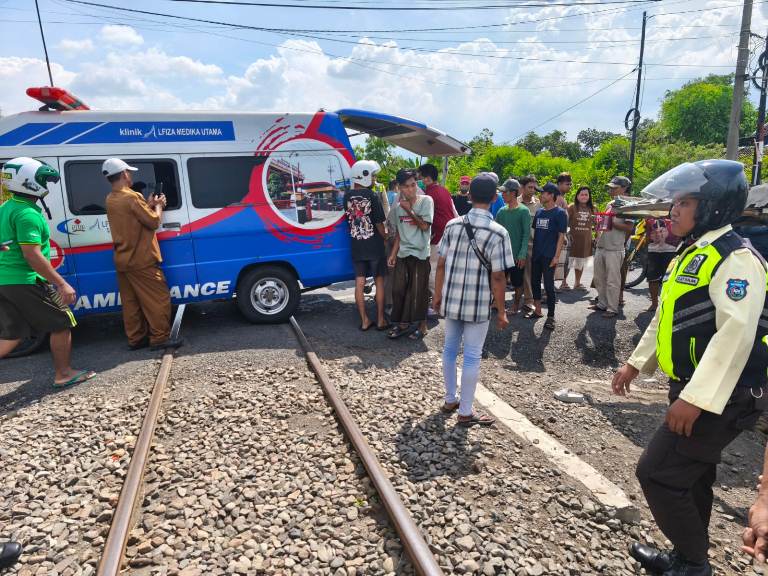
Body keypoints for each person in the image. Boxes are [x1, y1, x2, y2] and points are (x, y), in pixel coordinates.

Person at [611, 160, 768, 576]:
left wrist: (695, 400)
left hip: (724, 396)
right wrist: (635, 363)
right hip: (694, 388)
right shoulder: (695, 251)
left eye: (684, 202)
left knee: (657, 473)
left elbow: (736, 335)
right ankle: (687, 557)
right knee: (692, 478)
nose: (673, 211)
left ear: (713, 205)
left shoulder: (737, 259)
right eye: (674, 202)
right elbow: (668, 317)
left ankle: (694, 565)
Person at [0, 157, 96, 388]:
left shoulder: (6, 207)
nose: (47, 185)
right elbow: (31, 254)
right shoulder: (27, 214)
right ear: (30, 182)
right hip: (26, 279)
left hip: (6, 280)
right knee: (62, 321)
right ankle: (63, 373)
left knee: (12, 335)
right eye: (44, 181)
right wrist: (62, 283)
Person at [433, 173, 512, 427]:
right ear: (494, 197)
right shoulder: (499, 232)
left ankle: (449, 399)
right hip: (478, 304)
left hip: (452, 298)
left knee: (449, 349)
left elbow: (441, 263)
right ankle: (465, 411)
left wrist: (437, 294)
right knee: (472, 356)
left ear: (469, 195)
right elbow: (499, 277)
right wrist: (501, 311)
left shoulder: (452, 225)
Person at [103, 159, 181, 351]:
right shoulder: (131, 197)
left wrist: (148, 203)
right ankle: (160, 338)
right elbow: (153, 221)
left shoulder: (111, 198)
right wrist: (159, 205)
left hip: (123, 259)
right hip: (142, 259)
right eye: (129, 172)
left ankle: (136, 338)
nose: (131, 175)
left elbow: (133, 216)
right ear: (124, 175)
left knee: (131, 303)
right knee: (158, 298)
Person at [387, 169, 433, 340]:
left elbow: (424, 226)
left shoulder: (426, 201)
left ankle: (422, 326)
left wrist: (409, 211)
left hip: (421, 253)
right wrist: (393, 254)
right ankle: (402, 323)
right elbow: (399, 233)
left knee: (419, 290)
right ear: (399, 188)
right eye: (406, 187)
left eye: (413, 185)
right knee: (399, 290)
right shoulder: (398, 208)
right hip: (403, 252)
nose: (411, 189)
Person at [343, 160, 389, 331]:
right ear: (364, 175)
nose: (374, 178)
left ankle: (364, 320)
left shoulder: (346, 196)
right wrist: (385, 236)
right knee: (379, 282)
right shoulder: (372, 196)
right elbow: (379, 222)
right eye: (372, 175)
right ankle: (381, 320)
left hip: (357, 244)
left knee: (359, 283)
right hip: (374, 245)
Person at [525, 183, 567, 330]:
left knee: (549, 286)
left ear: (551, 195)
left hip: (550, 256)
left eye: (543, 193)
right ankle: (537, 310)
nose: (540, 195)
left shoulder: (560, 213)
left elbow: (561, 236)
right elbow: (536, 233)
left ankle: (551, 317)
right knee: (535, 282)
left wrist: (556, 256)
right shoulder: (539, 212)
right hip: (537, 254)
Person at [590, 176, 633, 318]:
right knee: (599, 277)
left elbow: (629, 227)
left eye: (615, 187)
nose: (611, 189)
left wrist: (611, 222)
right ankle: (602, 303)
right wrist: (599, 222)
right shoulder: (610, 203)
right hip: (602, 245)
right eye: (611, 187)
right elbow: (604, 222)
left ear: (624, 188)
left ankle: (612, 308)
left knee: (613, 280)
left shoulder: (629, 204)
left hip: (615, 247)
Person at [418, 163, 457, 315]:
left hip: (437, 237)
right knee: (445, 272)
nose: (418, 181)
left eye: (420, 178)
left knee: (434, 272)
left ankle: (437, 306)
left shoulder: (428, 195)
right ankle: (444, 303)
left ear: (427, 178)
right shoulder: (444, 190)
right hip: (449, 235)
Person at [494, 178, 531, 314]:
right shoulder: (501, 212)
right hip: (502, 254)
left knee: (517, 282)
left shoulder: (523, 211)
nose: (502, 195)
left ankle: (515, 306)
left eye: (505, 192)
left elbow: (526, 234)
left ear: (513, 193)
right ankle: (498, 303)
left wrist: (522, 254)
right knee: (499, 279)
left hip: (516, 254)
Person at [518, 175, 542, 311]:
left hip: (531, 244)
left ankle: (529, 299)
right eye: (530, 187)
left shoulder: (538, 204)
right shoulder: (514, 202)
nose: (533, 190)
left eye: (534, 188)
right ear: (522, 187)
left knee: (529, 272)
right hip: (515, 243)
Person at [646, 217, 680, 311]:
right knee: (652, 278)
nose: (658, 234)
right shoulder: (649, 217)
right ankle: (654, 304)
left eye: (662, 231)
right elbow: (647, 234)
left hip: (671, 251)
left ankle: (668, 303)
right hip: (653, 251)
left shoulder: (674, 213)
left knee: (670, 278)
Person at [566, 186, 595, 290]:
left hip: (586, 240)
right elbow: (565, 223)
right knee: (567, 261)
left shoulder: (593, 208)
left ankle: (577, 283)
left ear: (589, 196)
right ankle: (563, 282)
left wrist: (597, 237)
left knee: (580, 261)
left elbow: (598, 225)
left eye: (586, 194)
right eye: (581, 194)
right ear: (577, 196)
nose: (584, 197)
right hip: (572, 240)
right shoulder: (571, 207)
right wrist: (566, 235)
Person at [555, 172, 572, 291]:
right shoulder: (557, 198)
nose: (569, 186)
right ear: (560, 184)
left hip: (562, 234)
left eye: (570, 184)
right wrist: (562, 236)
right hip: (557, 235)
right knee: (555, 260)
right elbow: (555, 218)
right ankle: (548, 288)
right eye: (567, 184)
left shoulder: (562, 197)